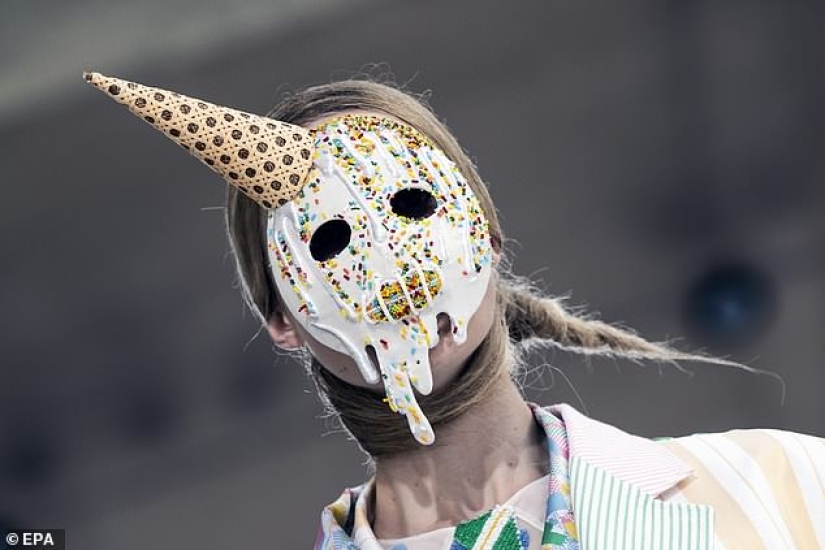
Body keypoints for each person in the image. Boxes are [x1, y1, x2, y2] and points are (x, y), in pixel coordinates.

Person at [85, 72, 824, 550]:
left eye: (411, 207)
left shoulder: (779, 482)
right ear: (282, 319)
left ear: (486, 236)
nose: (387, 268)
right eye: (332, 240)